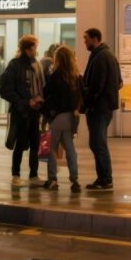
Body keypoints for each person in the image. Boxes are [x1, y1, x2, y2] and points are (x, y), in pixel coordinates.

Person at [0, 35, 44, 186]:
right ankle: (16, 175)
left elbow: (41, 86)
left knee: (35, 144)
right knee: (20, 144)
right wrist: (26, 101)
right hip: (21, 112)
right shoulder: (15, 65)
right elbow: (5, 90)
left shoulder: (36, 64)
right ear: (27, 49)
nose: (36, 51)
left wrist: (40, 101)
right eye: (34, 48)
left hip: (35, 111)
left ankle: (33, 175)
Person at [81, 28, 121, 191]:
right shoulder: (108, 55)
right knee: (97, 143)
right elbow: (119, 81)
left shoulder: (100, 57)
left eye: (86, 39)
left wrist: (86, 104)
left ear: (95, 38)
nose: (84, 42)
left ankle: (105, 179)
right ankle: (103, 178)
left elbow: (96, 85)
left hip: (99, 108)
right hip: (104, 106)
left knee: (98, 143)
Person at [42, 45, 83, 192]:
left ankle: (52, 179)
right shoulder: (76, 76)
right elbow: (81, 96)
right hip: (71, 117)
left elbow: (48, 96)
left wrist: (45, 115)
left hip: (57, 117)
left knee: (52, 148)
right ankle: (75, 180)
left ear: (58, 59)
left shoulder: (55, 76)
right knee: (70, 148)